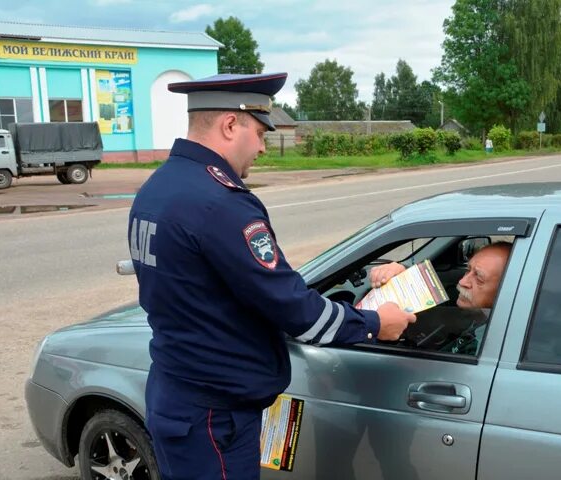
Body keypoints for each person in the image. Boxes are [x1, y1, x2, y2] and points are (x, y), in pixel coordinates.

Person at [127, 72, 416, 480]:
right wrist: (375, 323)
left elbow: (217, 290)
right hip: (216, 417)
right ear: (230, 125)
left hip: (180, 398)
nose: (263, 146)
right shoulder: (220, 203)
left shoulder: (157, 188)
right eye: (260, 132)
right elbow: (293, 308)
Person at [370, 241, 511, 354]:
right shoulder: (479, 318)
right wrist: (402, 275)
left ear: (506, 289)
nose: (463, 282)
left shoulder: (485, 344)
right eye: (468, 270)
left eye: (479, 278)